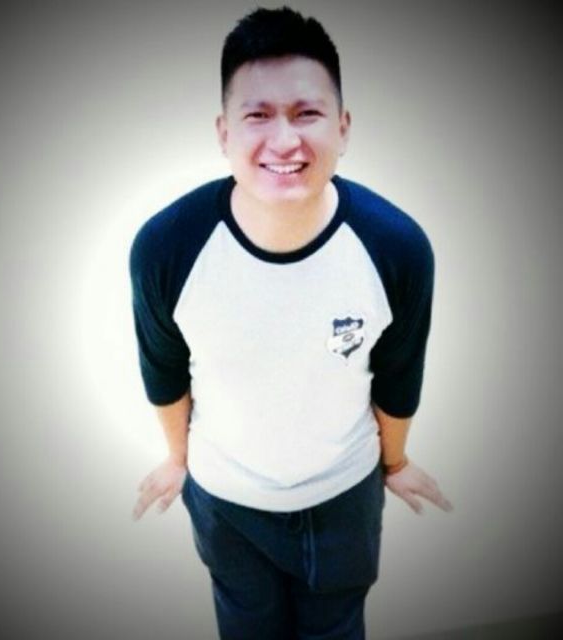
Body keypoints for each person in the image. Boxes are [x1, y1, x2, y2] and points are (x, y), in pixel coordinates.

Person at [130, 6, 453, 639]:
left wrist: (395, 464)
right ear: (224, 132)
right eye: (258, 116)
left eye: (307, 114)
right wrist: (177, 459)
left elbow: (398, 377)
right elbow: (163, 370)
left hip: (345, 497)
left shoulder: (397, 248)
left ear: (343, 126)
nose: (284, 142)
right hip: (226, 502)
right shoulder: (166, 248)